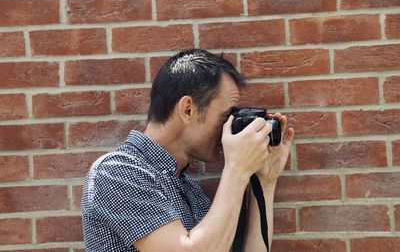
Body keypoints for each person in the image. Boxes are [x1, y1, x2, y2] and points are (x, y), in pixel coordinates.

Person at [81, 49, 295, 252]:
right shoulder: (116, 172)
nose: (228, 129)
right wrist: (237, 169)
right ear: (188, 109)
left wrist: (265, 181)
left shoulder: (188, 188)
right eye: (225, 116)